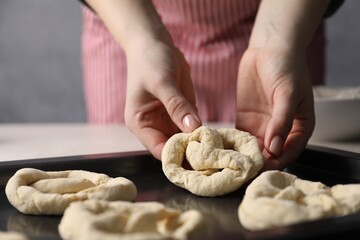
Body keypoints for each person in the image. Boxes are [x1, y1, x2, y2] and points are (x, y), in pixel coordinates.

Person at [79, 0, 343, 170]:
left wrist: (277, 39)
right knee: (128, 170)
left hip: (283, 23)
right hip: (131, 30)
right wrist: (142, 41)